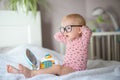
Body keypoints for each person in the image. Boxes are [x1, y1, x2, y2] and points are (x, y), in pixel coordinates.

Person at [7, 13, 92, 78]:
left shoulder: (83, 41)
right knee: (52, 67)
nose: (65, 32)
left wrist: (83, 28)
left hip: (76, 70)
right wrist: (64, 29)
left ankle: (31, 73)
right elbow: (57, 36)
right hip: (67, 67)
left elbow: (88, 32)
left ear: (80, 29)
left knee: (57, 68)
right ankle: (20, 72)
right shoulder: (68, 40)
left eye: (68, 28)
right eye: (63, 29)